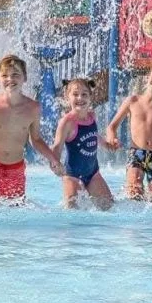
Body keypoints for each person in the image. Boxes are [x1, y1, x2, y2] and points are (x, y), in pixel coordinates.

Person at [0, 54, 62, 206]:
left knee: (15, 211)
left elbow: (36, 139)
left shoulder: (33, 108)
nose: (10, 79)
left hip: (16, 168)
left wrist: (53, 159)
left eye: (15, 75)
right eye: (4, 75)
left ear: (24, 78)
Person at [104, 62, 152, 206]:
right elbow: (111, 127)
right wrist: (111, 138)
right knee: (134, 190)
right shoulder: (132, 101)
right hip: (136, 153)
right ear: (148, 76)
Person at [51, 78, 113, 210]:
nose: (80, 98)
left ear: (90, 97)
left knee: (109, 207)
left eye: (84, 94)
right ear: (67, 97)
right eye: (75, 94)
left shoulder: (92, 116)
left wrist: (106, 144)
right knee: (72, 211)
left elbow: (94, 135)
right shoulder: (67, 122)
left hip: (93, 173)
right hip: (72, 175)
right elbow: (57, 145)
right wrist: (55, 162)